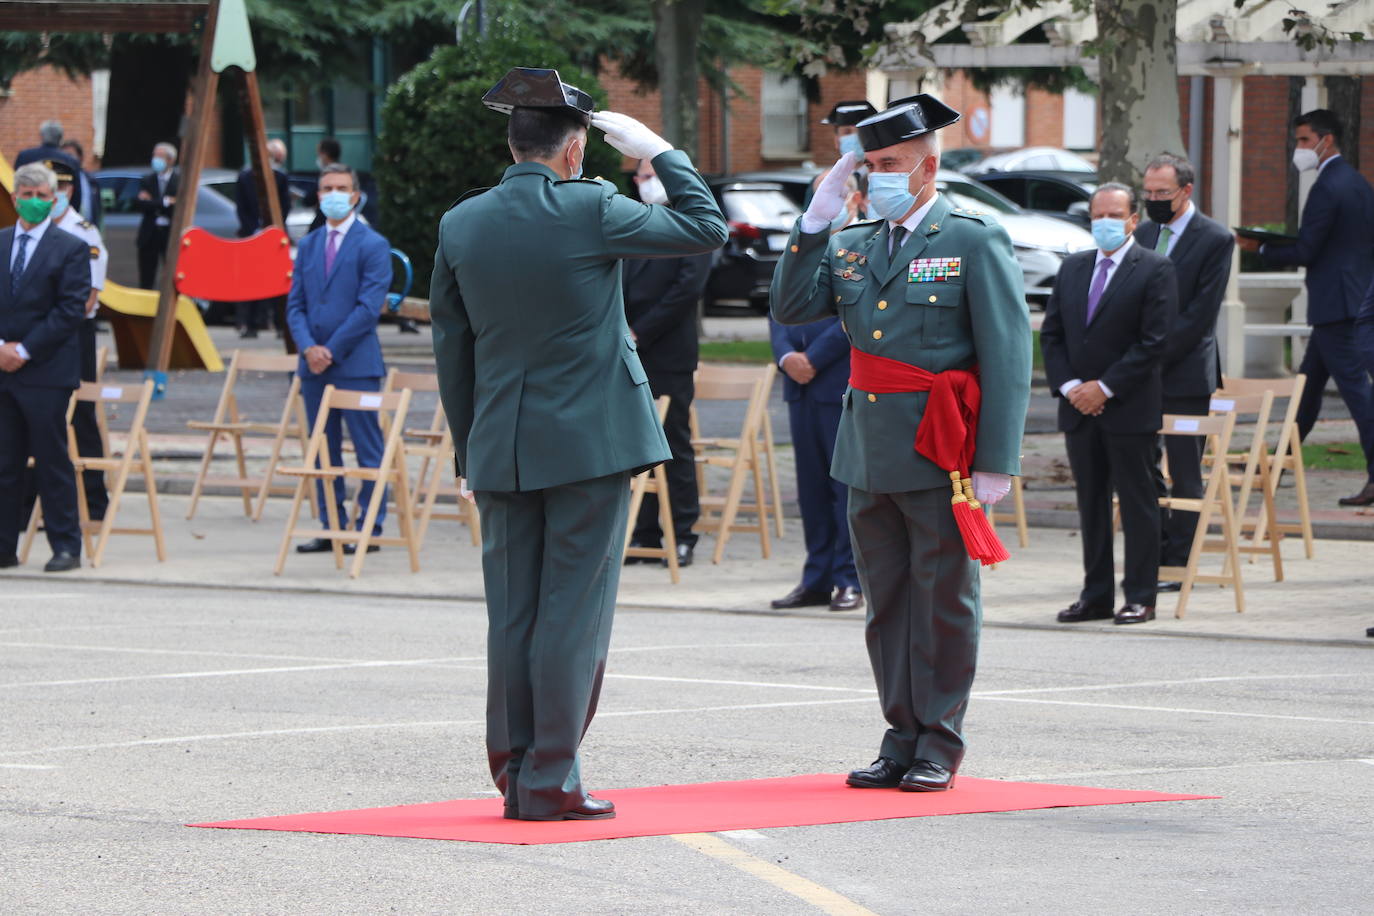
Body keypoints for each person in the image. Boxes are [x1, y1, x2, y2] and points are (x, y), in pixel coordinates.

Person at [429, 67, 726, 821]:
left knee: (514, 617)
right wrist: (660, 151)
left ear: (510, 143)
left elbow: (452, 349)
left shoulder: (461, 222)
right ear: (571, 154)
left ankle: (515, 772)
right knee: (572, 615)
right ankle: (552, 778)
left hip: (501, 444)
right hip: (589, 445)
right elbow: (704, 229)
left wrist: (470, 450)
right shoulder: (592, 207)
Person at [771, 94, 1031, 793]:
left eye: (891, 164)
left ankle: (939, 739)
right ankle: (900, 734)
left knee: (943, 600)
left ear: (928, 167)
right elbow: (792, 307)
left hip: (939, 449)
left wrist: (995, 460)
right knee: (886, 602)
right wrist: (816, 219)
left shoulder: (972, 237)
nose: (877, 175)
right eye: (869, 164)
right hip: (866, 449)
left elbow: (1007, 353)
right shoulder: (851, 242)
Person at [1042, 183, 1177, 626]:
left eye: (1113, 215)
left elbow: (1153, 342)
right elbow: (1053, 336)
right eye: (1097, 214)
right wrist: (1071, 387)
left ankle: (1140, 596)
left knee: (1138, 503)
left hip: (1128, 408)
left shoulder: (1155, 269)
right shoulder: (1073, 268)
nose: (1103, 222)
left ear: (1133, 220)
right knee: (1091, 504)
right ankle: (1095, 595)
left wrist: (1105, 387)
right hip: (1078, 409)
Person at [1237, 109, 1374, 507]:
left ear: (1325, 141)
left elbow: (1307, 249)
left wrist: (1258, 246)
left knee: (1357, 394)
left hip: (1335, 306)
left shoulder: (1328, 186)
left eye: (1302, 140)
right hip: (1352, 298)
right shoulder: (1359, 183)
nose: (1298, 149)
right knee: (1306, 391)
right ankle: (1276, 467)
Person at [1135, 153, 1235, 589]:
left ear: (1186, 191)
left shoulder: (1214, 238)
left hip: (1186, 373)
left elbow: (1200, 315)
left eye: (1163, 194)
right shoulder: (1143, 231)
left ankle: (1180, 564)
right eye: (1149, 193)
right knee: (1141, 465)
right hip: (1141, 376)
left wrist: (1151, 355)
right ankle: (1151, 551)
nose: (1154, 200)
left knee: (1185, 470)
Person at [769, 173, 866, 613]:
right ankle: (816, 577)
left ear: (856, 199)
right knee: (809, 489)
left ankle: (850, 577)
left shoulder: (865, 245)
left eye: (837, 193)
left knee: (843, 487)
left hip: (838, 383)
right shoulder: (802, 244)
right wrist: (787, 356)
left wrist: (815, 358)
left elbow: (856, 315)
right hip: (800, 388)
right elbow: (779, 304)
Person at [285, 163, 392, 554]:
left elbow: (368, 307)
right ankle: (330, 525)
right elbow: (295, 303)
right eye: (326, 187)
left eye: (340, 187)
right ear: (318, 194)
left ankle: (370, 526)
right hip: (313, 366)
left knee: (367, 447)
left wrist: (330, 349)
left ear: (354, 194)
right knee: (321, 447)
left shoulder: (373, 245)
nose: (333, 193)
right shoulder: (310, 243)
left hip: (356, 365)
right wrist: (308, 347)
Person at [622, 156, 714, 568]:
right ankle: (643, 532)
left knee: (673, 443)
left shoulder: (687, 221)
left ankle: (683, 532)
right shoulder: (634, 221)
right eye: (640, 176)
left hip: (668, 352)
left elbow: (686, 288)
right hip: (628, 351)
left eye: (650, 175)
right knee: (632, 444)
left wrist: (642, 330)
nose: (643, 182)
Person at [0, 162, 91, 573]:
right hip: (3, 369)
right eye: (27, 194)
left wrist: (26, 350)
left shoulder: (70, 247)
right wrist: (3, 349)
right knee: (4, 463)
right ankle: (4, 546)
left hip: (46, 372)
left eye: (41, 196)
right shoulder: (0, 243)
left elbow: (70, 309)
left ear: (54, 200)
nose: (34, 202)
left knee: (51, 460)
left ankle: (66, 546)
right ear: (14, 197)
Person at [49, 158, 110, 521]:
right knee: (41, 416)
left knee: (82, 413)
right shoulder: (35, 230)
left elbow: (90, 293)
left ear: (69, 190)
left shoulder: (84, 231)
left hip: (75, 332)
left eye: (56, 189)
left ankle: (94, 499)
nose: (51, 196)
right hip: (43, 336)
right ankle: (34, 502)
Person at [234, 138, 293, 338]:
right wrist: (253, 229)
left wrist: (272, 228)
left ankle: (280, 325)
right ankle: (249, 324)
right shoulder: (244, 178)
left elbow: (285, 207)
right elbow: (241, 208)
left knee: (277, 282)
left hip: (273, 235)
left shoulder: (280, 178)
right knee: (250, 281)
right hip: (250, 235)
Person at [134, 142, 179, 290]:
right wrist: (166, 201)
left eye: (160, 156)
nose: (155, 159)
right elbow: (141, 204)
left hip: (170, 234)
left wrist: (153, 201)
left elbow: (178, 206)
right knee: (146, 278)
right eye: (154, 155)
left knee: (172, 276)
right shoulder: (147, 180)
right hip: (149, 234)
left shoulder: (179, 181)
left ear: (171, 160)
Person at [14, 120, 84, 216]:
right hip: (60, 215)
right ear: (60, 138)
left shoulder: (25, 156)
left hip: (30, 212)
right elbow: (77, 196)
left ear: (41, 136)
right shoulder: (71, 160)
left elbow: (15, 187)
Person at [59, 139, 102, 227]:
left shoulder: (91, 180)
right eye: (64, 155)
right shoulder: (60, 181)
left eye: (70, 155)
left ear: (80, 157)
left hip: (88, 228)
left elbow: (98, 211)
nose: (67, 159)